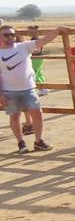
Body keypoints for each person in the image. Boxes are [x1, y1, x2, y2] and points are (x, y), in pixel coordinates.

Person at [1, 23, 64, 153]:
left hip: (28, 89)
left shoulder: (24, 47)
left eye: (12, 34)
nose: (10, 37)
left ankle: (38, 141)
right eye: (6, 35)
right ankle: (21, 143)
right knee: (14, 116)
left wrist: (57, 30)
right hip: (9, 91)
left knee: (37, 113)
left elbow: (43, 41)